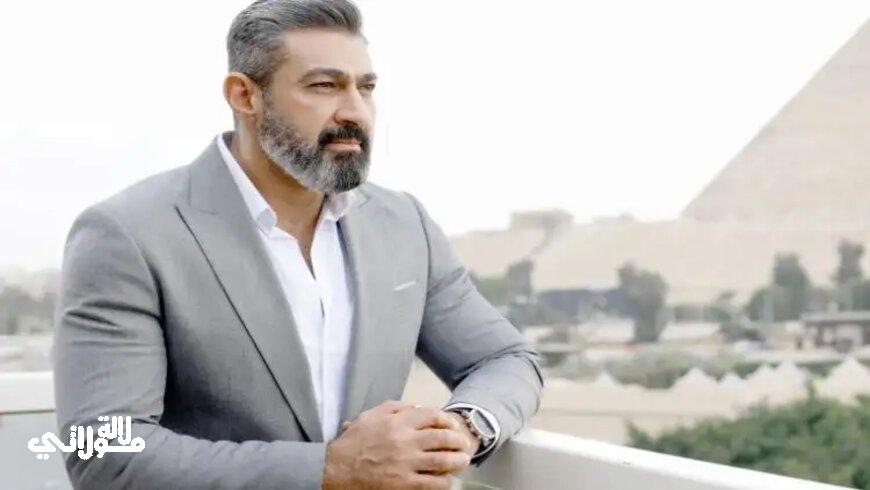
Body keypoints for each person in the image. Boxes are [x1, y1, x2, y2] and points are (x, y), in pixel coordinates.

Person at [52, 1, 543, 488]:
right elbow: (104, 452)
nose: (354, 111)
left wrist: (460, 428)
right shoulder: (128, 234)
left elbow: (506, 359)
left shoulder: (403, 224)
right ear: (245, 96)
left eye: (366, 88)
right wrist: (330, 469)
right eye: (324, 86)